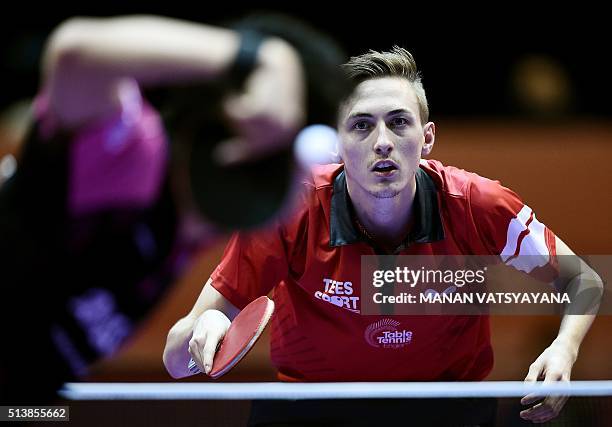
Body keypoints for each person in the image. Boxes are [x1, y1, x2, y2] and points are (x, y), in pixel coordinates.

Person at [163, 47, 603, 425]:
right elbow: (174, 361)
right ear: (337, 142)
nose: (382, 142)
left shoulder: (478, 206)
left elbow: (583, 280)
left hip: (445, 408)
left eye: (398, 122)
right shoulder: (289, 211)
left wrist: (564, 350)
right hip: (310, 408)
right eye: (361, 125)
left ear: (427, 137)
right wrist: (204, 330)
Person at [0, 14, 349, 404]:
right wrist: (262, 58)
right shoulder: (134, 156)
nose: (306, 186)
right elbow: (74, 54)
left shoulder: (190, 235)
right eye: (297, 164)